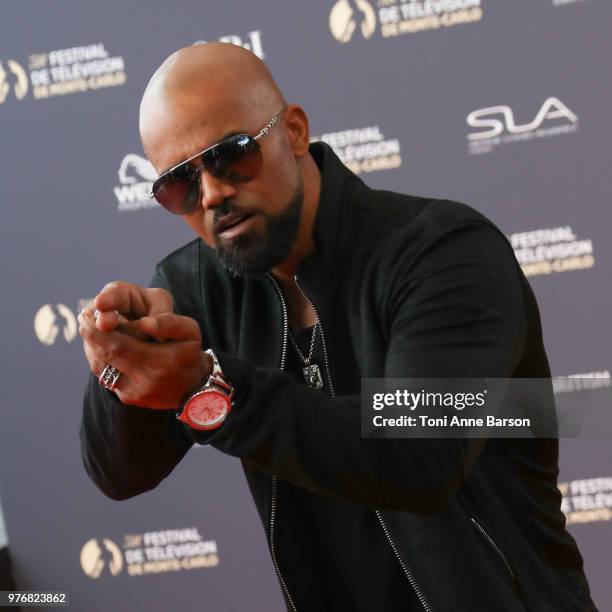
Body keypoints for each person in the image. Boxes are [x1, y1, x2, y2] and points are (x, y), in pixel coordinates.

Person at [79, 43, 597, 611]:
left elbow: (420, 457)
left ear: (294, 132)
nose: (213, 193)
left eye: (232, 154)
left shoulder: (444, 252)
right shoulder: (199, 285)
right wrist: (121, 365)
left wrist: (211, 389)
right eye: (178, 182)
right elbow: (120, 473)